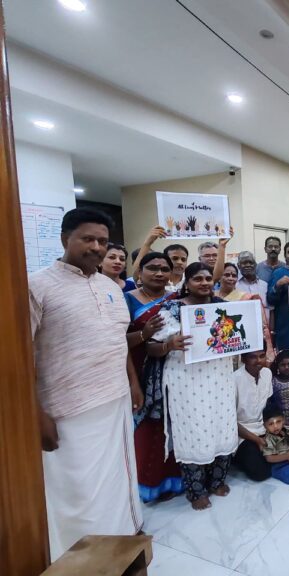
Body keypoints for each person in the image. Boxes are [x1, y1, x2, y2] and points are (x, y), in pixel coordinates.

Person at [29, 207, 143, 559]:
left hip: (116, 401)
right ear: (66, 239)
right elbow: (20, 355)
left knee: (117, 483)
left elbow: (117, 340)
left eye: (103, 241)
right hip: (68, 410)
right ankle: (78, 560)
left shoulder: (109, 286)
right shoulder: (38, 286)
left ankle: (120, 545)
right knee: (79, 493)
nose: (96, 247)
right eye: (88, 239)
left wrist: (133, 383)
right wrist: (36, 413)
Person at [146, 263, 238, 510]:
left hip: (220, 378)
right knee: (193, 431)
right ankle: (195, 490)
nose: (205, 282)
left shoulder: (224, 308)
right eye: (198, 279)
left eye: (208, 278)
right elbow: (150, 346)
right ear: (186, 283)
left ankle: (217, 480)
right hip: (185, 382)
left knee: (223, 425)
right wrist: (168, 345)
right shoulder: (171, 309)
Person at [124, 252, 184, 502]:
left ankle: (175, 480)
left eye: (164, 269)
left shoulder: (176, 299)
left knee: (174, 426)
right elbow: (118, 341)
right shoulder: (127, 299)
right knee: (149, 429)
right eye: (152, 268)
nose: (159, 273)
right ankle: (148, 485)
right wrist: (144, 333)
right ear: (140, 272)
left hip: (174, 373)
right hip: (140, 372)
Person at [216, 262, 274, 362]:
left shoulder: (248, 298)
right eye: (226, 275)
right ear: (219, 277)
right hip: (218, 347)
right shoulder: (211, 297)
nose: (231, 278)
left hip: (241, 346)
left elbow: (262, 326)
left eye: (234, 275)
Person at [233, 350, 274, 482]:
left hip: (264, 429)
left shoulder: (267, 373)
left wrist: (271, 432)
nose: (259, 361)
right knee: (260, 473)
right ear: (243, 359)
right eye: (253, 357)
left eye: (262, 356)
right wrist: (258, 441)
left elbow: (268, 407)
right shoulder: (234, 379)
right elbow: (230, 421)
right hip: (242, 434)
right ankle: (237, 459)